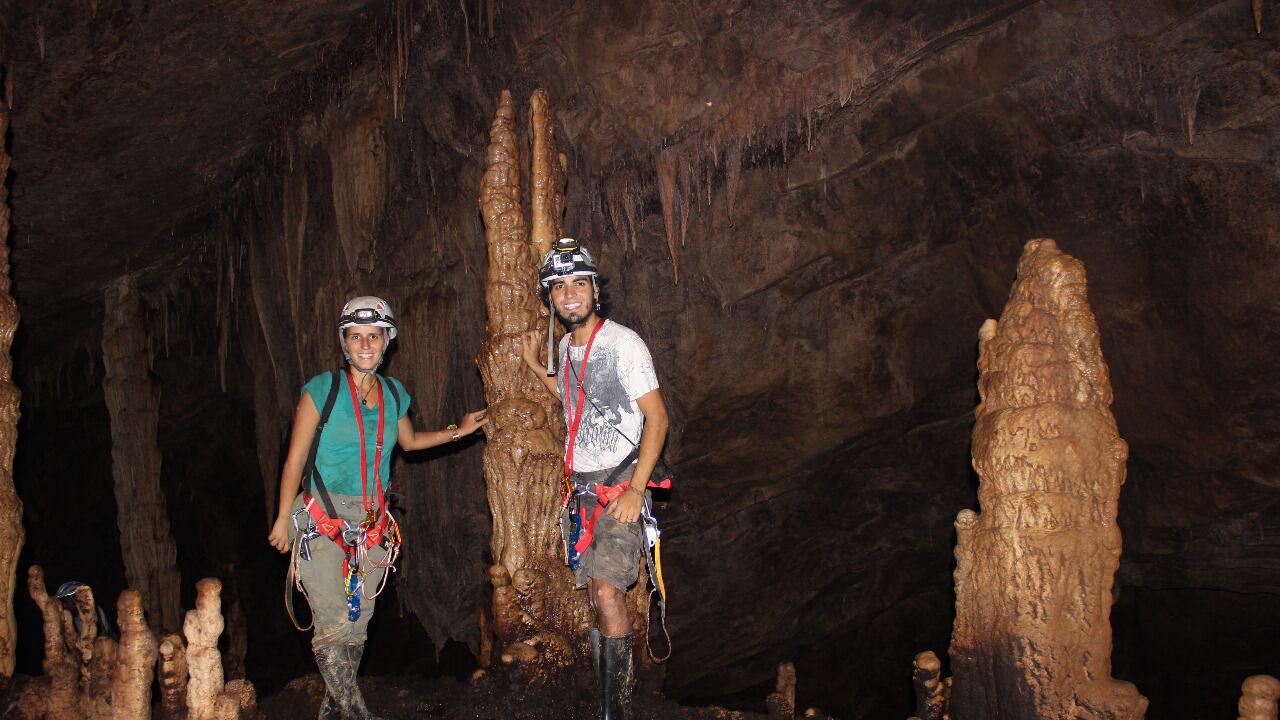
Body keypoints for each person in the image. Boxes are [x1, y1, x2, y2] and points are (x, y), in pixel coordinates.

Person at [267, 295, 487, 720]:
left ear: (387, 340)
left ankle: (335, 712)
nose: (365, 344)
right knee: (333, 619)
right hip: (321, 518)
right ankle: (356, 712)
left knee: (357, 622)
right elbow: (294, 459)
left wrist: (457, 431)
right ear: (344, 343)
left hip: (372, 521)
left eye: (374, 336)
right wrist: (281, 517)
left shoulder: (393, 393)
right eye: (356, 337)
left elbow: (410, 443)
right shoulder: (322, 390)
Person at [521, 238, 669, 720]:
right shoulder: (564, 347)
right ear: (551, 297)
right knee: (593, 594)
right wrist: (532, 367)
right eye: (559, 286)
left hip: (619, 484)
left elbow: (658, 419)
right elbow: (570, 396)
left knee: (607, 591)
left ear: (593, 290)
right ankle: (610, 703)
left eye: (578, 283)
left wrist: (635, 488)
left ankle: (617, 713)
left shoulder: (624, 343)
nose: (569, 294)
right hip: (581, 490)